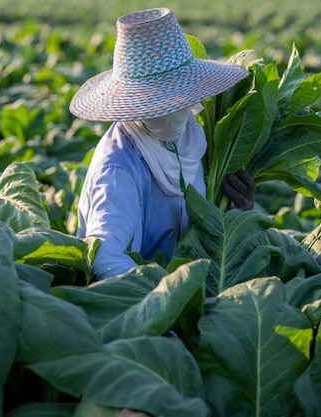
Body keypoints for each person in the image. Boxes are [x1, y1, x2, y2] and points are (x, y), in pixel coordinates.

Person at [70, 7, 255, 280]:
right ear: (133, 106)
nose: (169, 111)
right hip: (140, 305)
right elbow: (105, 258)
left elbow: (202, 234)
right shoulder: (118, 167)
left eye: (176, 99)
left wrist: (236, 215)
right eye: (156, 103)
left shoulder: (196, 142)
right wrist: (168, 301)